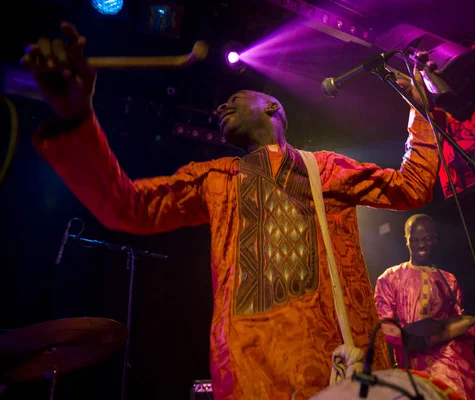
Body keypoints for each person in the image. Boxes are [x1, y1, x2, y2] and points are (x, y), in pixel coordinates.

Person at [23, 22, 443, 400]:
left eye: (236, 98)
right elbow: (127, 207)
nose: (219, 107)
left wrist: (421, 113)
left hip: (339, 370)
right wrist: (77, 117)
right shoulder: (214, 177)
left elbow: (413, 186)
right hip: (249, 377)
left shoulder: (326, 169)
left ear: (273, 108)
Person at [374, 213, 475, 400]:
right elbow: (384, 327)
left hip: (457, 370)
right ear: (406, 239)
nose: (421, 245)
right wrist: (413, 337)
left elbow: (463, 328)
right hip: (417, 371)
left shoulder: (449, 280)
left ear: (434, 240)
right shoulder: (390, 277)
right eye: (415, 239)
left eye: (426, 239)